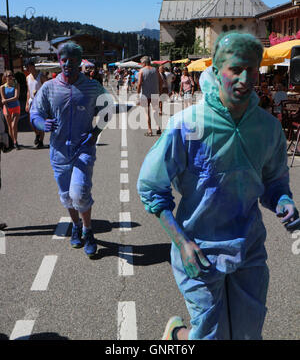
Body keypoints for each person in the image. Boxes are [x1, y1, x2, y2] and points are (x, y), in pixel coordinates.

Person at [137, 31, 299, 340]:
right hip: (199, 250)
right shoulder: (187, 125)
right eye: (234, 69)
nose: (244, 78)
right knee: (210, 337)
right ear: (216, 68)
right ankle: (178, 335)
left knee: (248, 335)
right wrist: (182, 243)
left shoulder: (267, 128)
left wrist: (283, 201)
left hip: (248, 247)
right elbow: (151, 188)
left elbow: (274, 181)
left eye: (251, 69)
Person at [30, 42, 113, 257]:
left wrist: (95, 133)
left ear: (80, 61)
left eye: (72, 59)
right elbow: (35, 113)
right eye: (63, 59)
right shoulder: (49, 87)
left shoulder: (92, 87)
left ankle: (88, 230)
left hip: (83, 149)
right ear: (59, 61)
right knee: (67, 196)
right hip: (58, 152)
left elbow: (109, 107)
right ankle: (75, 226)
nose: (68, 63)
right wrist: (41, 124)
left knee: (80, 192)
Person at [137, 56, 162, 136]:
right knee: (155, 111)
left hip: (145, 94)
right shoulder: (155, 70)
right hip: (155, 93)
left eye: (142, 63)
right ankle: (158, 128)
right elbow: (161, 81)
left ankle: (150, 130)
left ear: (144, 63)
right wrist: (160, 91)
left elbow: (139, 83)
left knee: (147, 113)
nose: (141, 65)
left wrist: (137, 94)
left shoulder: (141, 71)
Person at [25, 59, 46, 148]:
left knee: (40, 121)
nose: (27, 68)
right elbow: (28, 91)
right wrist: (26, 102)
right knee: (31, 121)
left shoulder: (41, 76)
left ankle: (41, 141)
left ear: (33, 66)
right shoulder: (28, 77)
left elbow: (47, 89)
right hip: (31, 101)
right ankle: (37, 134)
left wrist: (40, 93)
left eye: (28, 66)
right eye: (26, 67)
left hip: (40, 102)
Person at [0, 71, 21, 149]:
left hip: (16, 106)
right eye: (9, 75)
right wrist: (6, 108)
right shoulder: (2, 87)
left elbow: (16, 97)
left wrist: (6, 101)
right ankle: (12, 141)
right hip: (7, 108)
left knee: (14, 125)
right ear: (5, 77)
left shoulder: (16, 85)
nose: (10, 77)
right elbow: (3, 99)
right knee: (9, 126)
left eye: (12, 75)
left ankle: (15, 141)